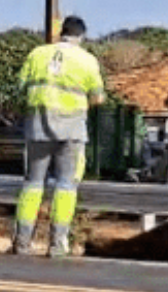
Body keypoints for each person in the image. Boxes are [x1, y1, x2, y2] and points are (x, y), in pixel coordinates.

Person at [12, 15, 105, 258]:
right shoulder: (87, 60)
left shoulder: (37, 54)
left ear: (61, 33)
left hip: (37, 128)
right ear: (81, 36)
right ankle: (57, 244)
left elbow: (20, 87)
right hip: (72, 131)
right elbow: (98, 97)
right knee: (66, 186)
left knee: (32, 184)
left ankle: (22, 242)